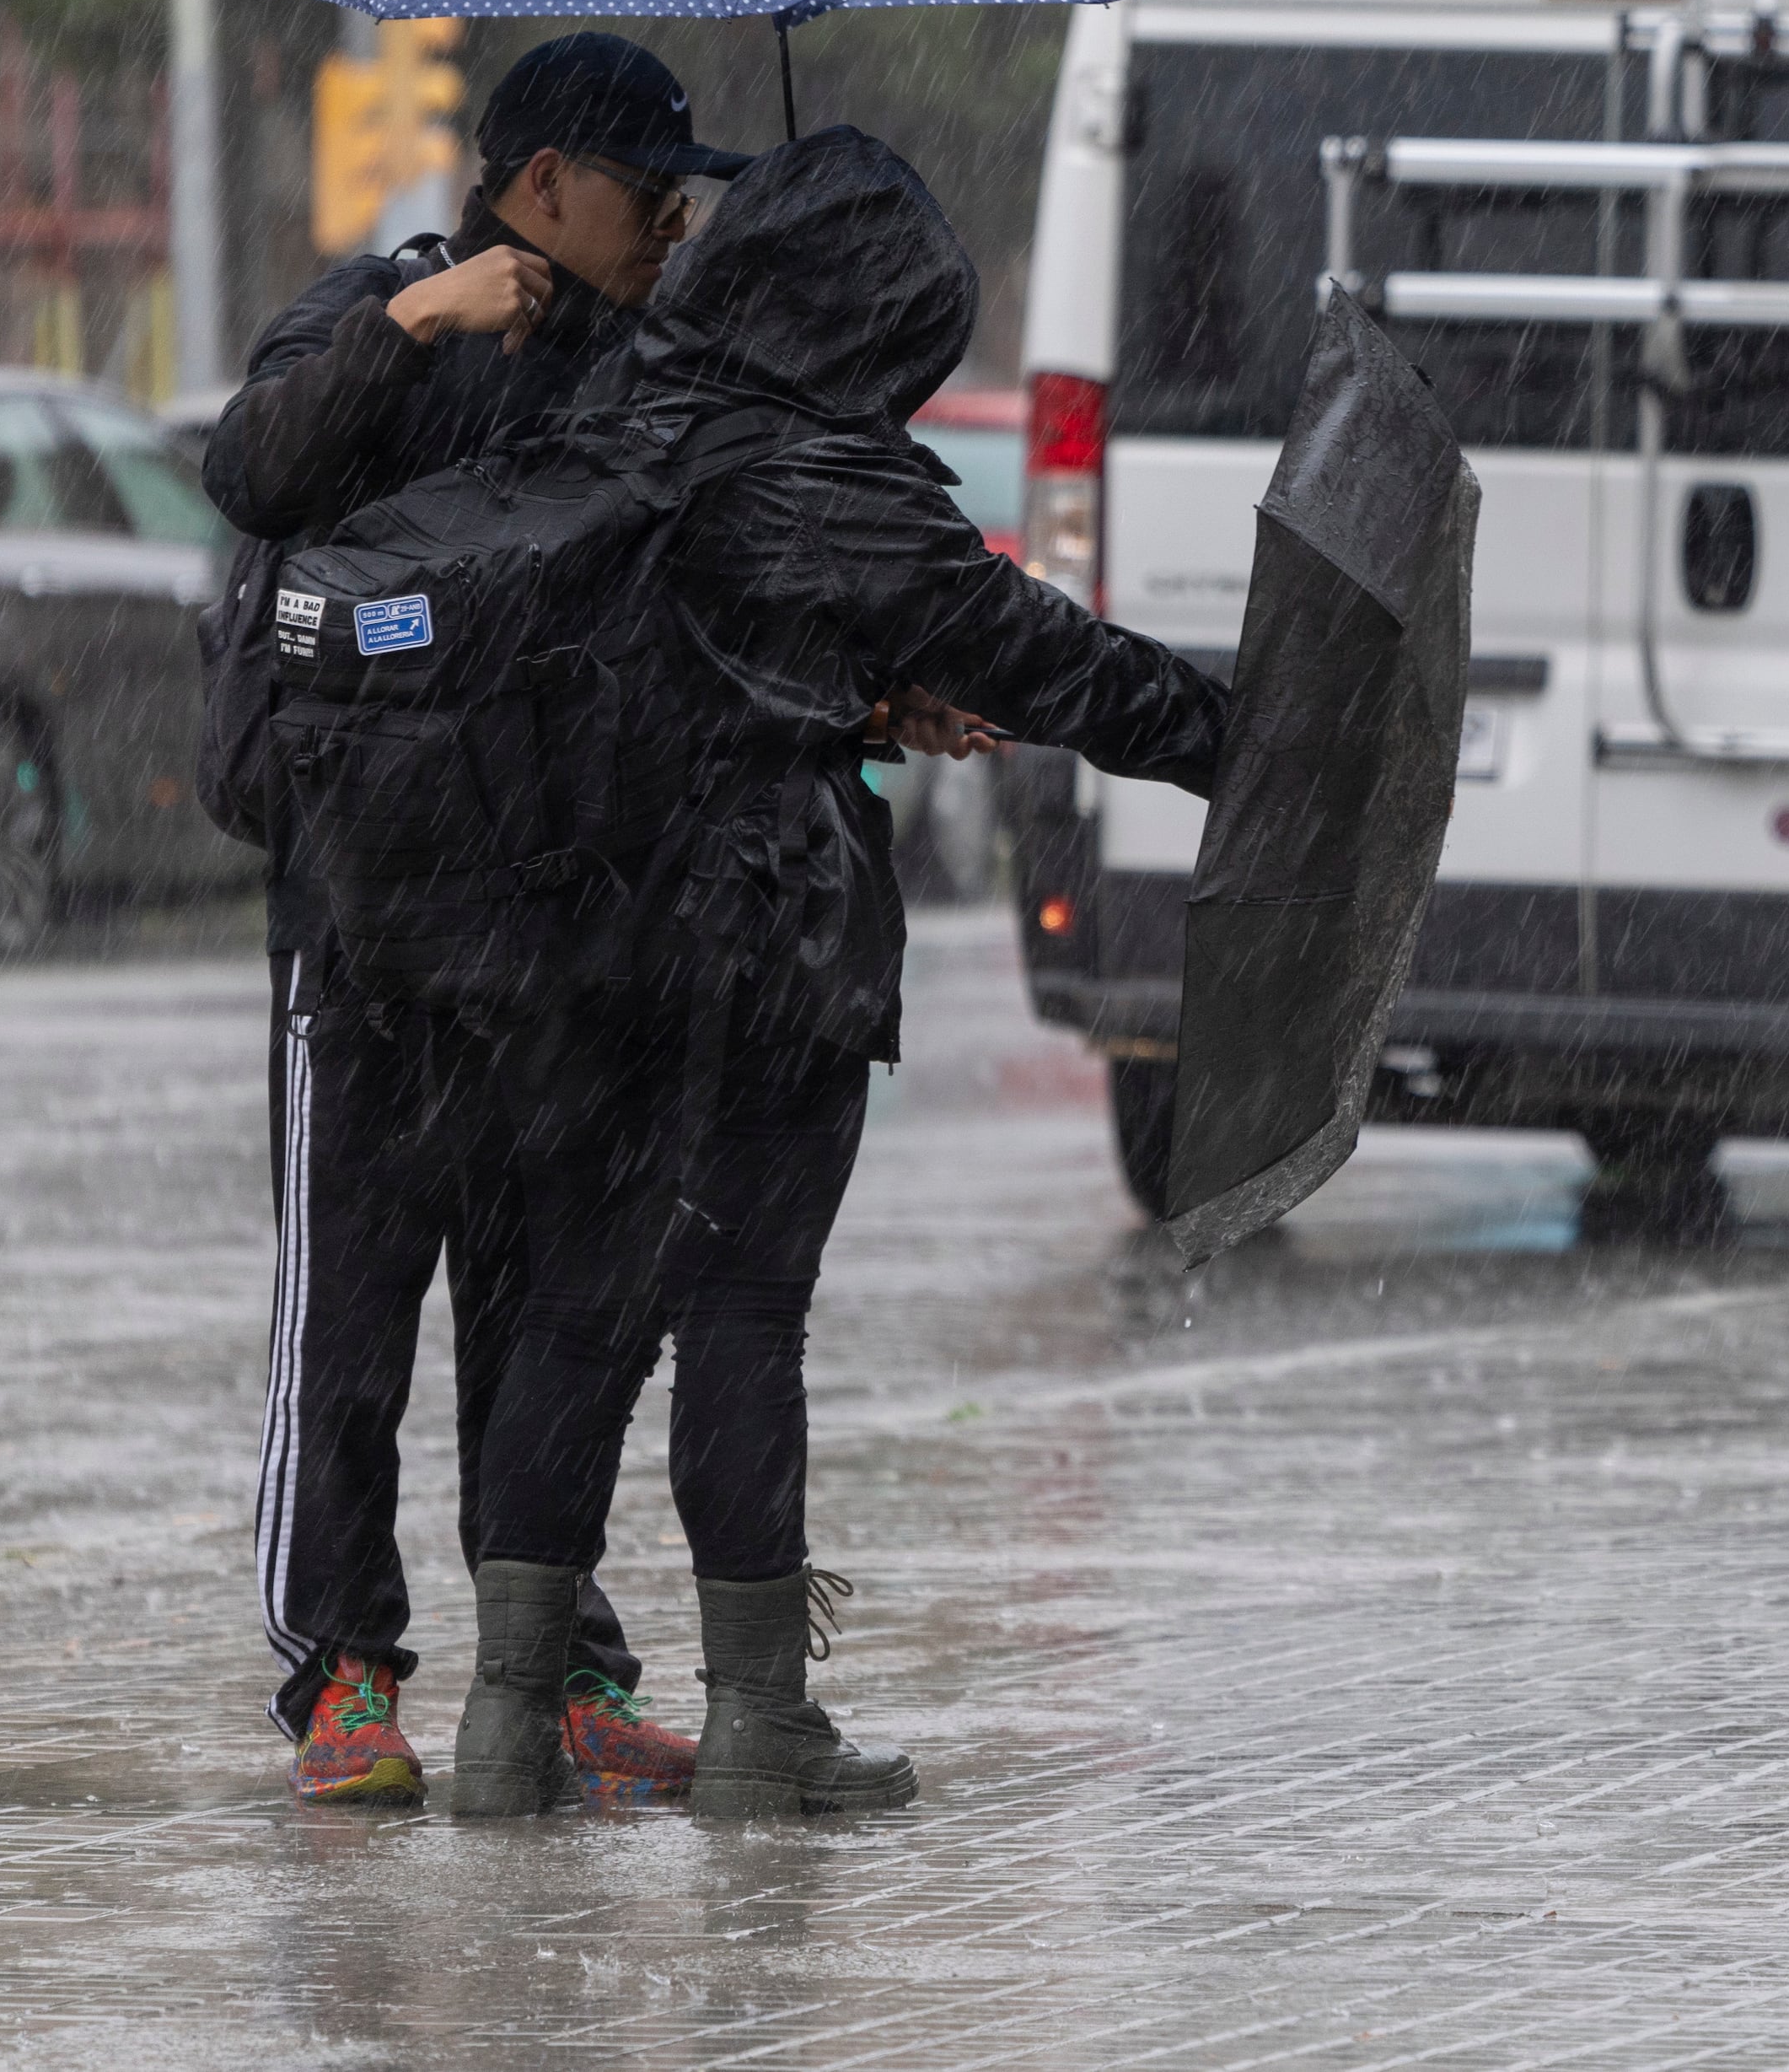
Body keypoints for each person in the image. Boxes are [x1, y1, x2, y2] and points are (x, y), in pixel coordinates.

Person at [451, 126, 1228, 1820]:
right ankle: (757, 1722)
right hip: (757, 939)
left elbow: (676, 653)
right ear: (872, 321)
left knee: (578, 1315)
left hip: (572, 935)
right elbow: (1043, 656)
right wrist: (1241, 736)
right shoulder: (830, 476)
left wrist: (854, 697)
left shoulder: (604, 413)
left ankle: (505, 1725)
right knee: (738, 1314)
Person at [207, 33, 749, 1806]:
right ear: (540, 188)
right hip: (358, 934)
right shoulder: (375, 323)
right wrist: (419, 325)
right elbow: (254, 471)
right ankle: (340, 1674)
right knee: (347, 1318)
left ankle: (560, 1660)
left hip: (557, 932)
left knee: (549, 1327)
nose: (672, 223)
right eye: (645, 192)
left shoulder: (645, 372)